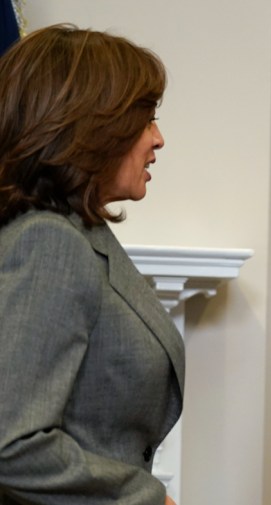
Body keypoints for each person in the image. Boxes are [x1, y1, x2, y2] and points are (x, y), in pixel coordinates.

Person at [0, 25, 183, 505]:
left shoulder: (78, 234)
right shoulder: (48, 243)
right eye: (146, 119)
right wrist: (143, 496)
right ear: (93, 125)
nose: (159, 139)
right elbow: (11, 443)